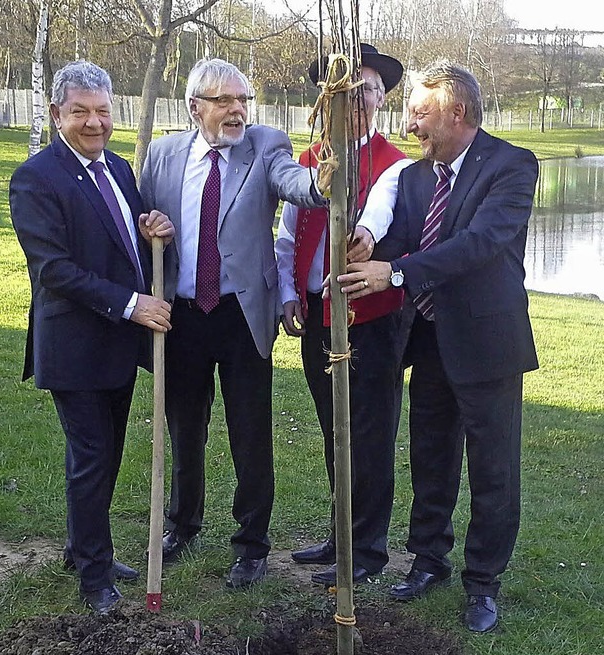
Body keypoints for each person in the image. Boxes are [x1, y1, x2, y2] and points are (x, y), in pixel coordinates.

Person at [334, 61, 539, 632]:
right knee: (431, 457)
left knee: (493, 469)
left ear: (458, 111)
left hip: (488, 344)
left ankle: (483, 583)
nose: (409, 123)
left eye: (420, 112)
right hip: (427, 343)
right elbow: (400, 238)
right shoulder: (417, 176)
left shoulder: (512, 166)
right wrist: (359, 246)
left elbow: (479, 244)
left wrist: (394, 273)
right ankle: (429, 561)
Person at [139, 58, 324, 589]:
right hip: (183, 315)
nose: (237, 109)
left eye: (243, 99)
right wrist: (150, 224)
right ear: (196, 107)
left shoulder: (265, 145)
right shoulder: (165, 154)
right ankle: (182, 523)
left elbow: (296, 184)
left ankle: (251, 544)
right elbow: (144, 216)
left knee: (250, 431)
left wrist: (322, 181)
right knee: (184, 428)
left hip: (242, 315)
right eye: (224, 100)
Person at [9, 60, 175, 615]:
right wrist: (133, 304)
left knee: (105, 456)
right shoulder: (36, 177)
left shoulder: (120, 170)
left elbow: (122, 241)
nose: (93, 122)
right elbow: (52, 268)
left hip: (117, 345)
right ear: (58, 114)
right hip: (75, 344)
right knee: (92, 455)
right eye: (80, 111)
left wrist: (153, 229)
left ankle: (84, 549)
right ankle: (95, 578)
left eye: (102, 111)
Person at [275, 43, 412, 586]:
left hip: (372, 320)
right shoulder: (309, 162)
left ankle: (368, 550)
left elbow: (378, 208)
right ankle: (341, 536)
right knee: (336, 429)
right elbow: (288, 235)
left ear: (380, 100)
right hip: (317, 316)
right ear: (326, 99)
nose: (357, 101)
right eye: (345, 92)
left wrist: (365, 236)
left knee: (371, 432)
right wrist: (289, 293)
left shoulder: (394, 164)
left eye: (368, 91)